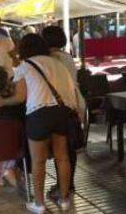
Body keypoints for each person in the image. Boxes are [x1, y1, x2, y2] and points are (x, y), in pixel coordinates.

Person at [0, 34, 77, 214]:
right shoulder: (58, 65)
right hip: (61, 113)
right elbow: (70, 91)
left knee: (38, 161)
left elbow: (20, 97)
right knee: (62, 157)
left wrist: (2, 102)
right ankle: (64, 199)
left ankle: (39, 203)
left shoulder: (25, 67)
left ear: (24, 49)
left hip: (39, 114)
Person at [41, 26, 86, 202]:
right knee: (70, 148)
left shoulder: (49, 59)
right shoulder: (67, 57)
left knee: (60, 151)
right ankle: (67, 184)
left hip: (57, 106)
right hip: (74, 103)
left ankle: (63, 187)